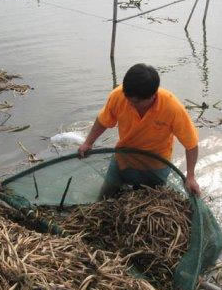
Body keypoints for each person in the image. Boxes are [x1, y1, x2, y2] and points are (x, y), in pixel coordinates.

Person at [78, 63, 201, 197]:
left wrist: (190, 176)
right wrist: (88, 143)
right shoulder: (118, 96)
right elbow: (103, 121)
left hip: (156, 164)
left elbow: (191, 145)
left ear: (153, 96)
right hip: (124, 158)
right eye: (128, 99)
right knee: (105, 195)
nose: (130, 104)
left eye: (136, 102)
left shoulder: (172, 108)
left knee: (151, 202)